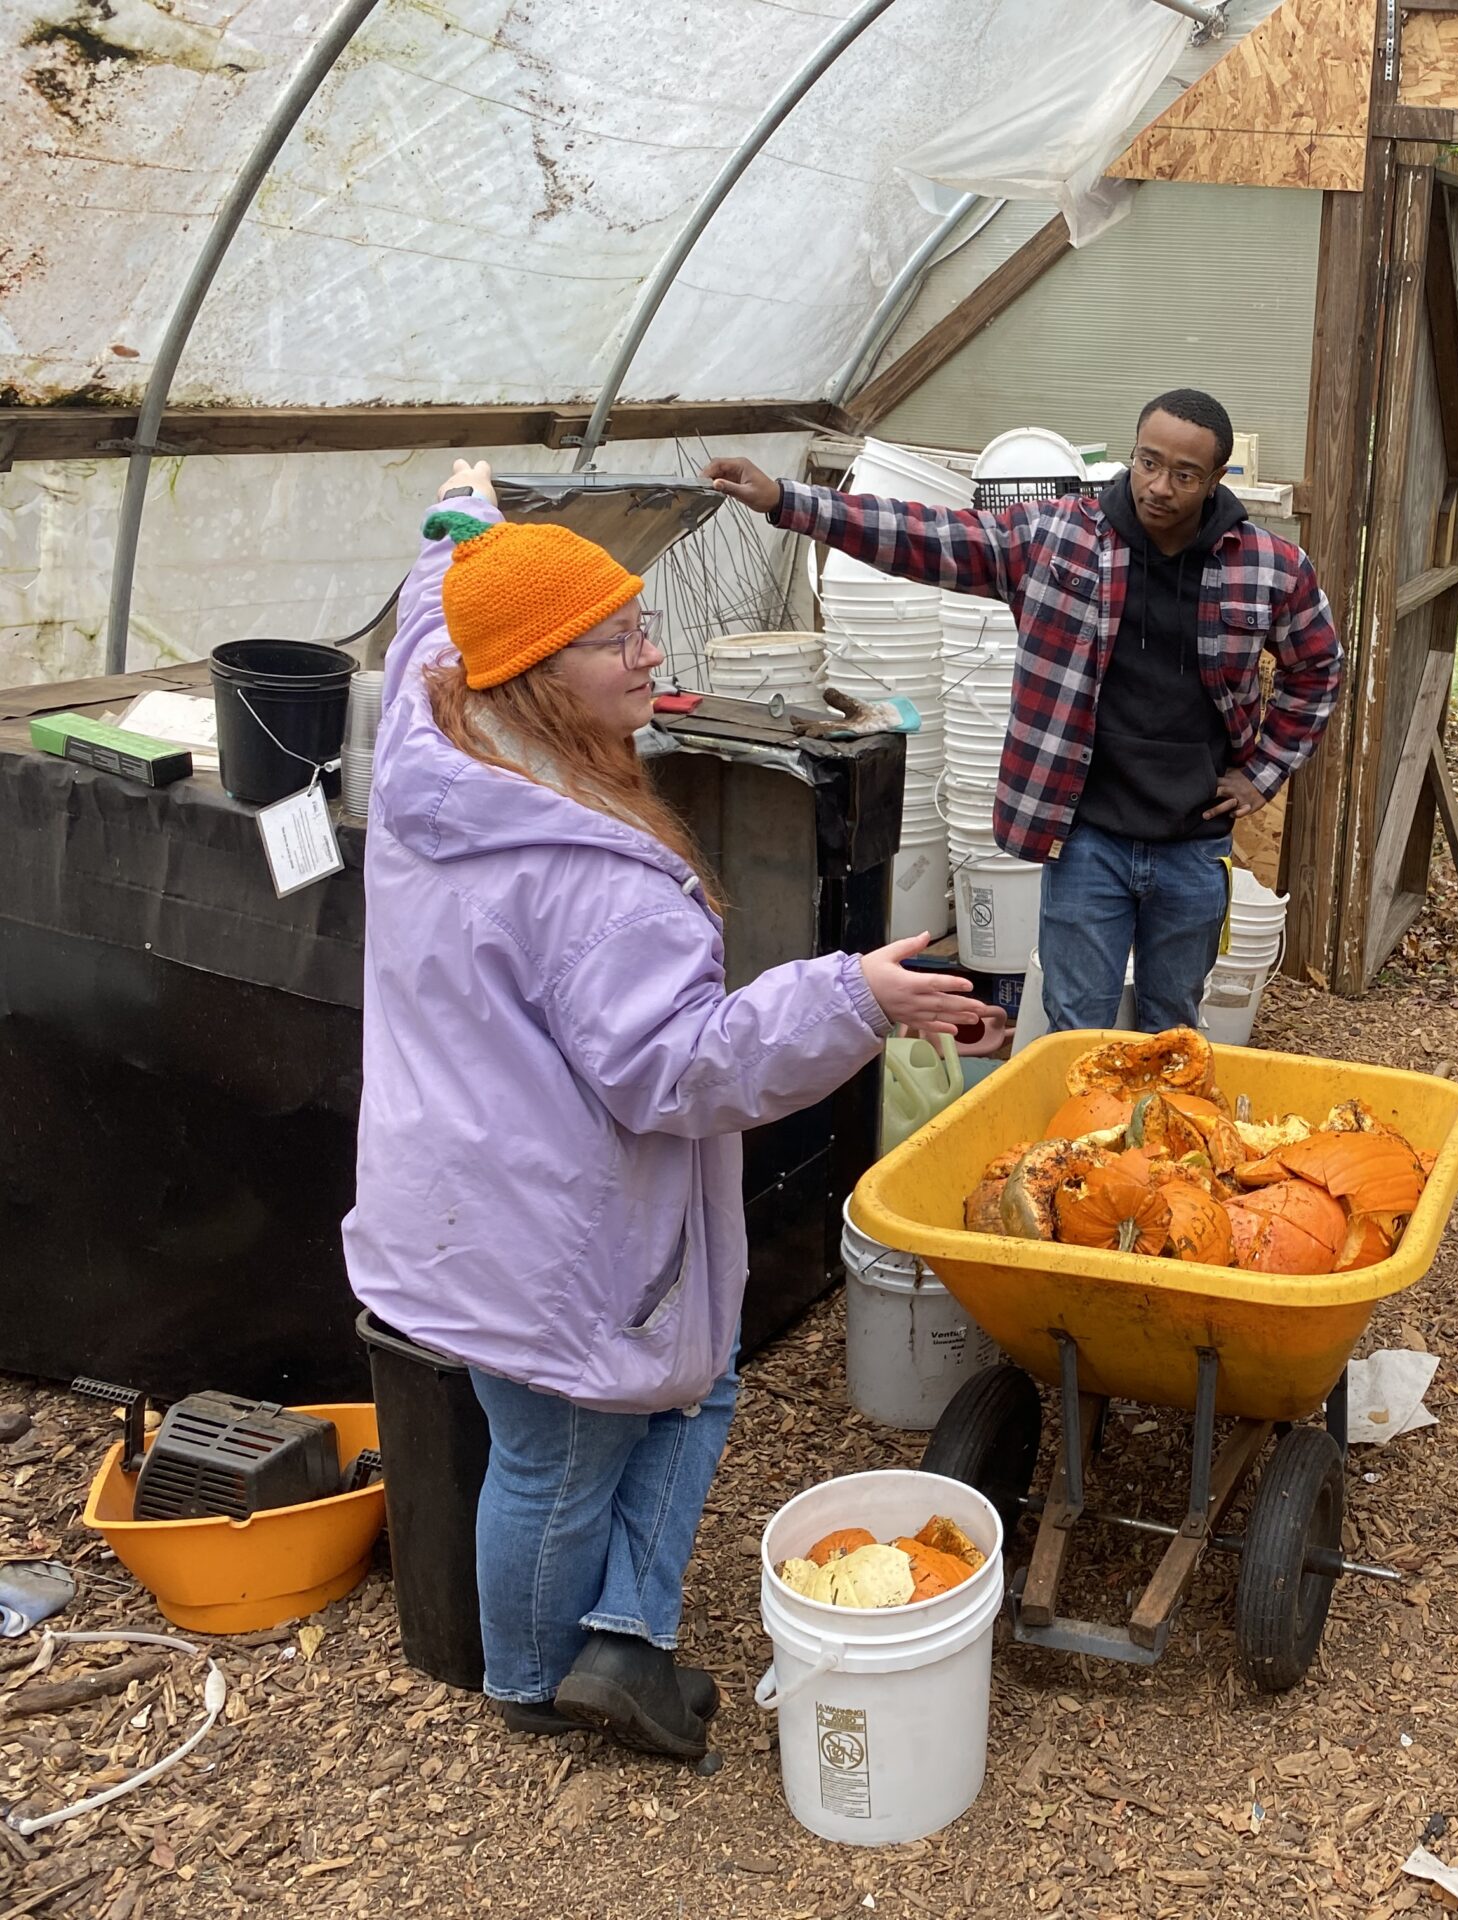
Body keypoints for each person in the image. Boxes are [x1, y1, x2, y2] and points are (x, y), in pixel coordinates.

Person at [344, 460, 987, 1762]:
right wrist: (853, 997)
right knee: (560, 1455)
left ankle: (621, 1633)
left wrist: (457, 529)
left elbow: (442, 615)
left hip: (464, 1191)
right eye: (617, 640)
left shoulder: (434, 748)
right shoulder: (594, 876)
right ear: (535, 674)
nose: (652, 654)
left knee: (682, 1393)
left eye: (644, 624)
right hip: (556, 1222)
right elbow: (676, 1071)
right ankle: (532, 1680)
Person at [703, 390, 1342, 1034]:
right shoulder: (1058, 537)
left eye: (1184, 474)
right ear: (1132, 454)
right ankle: (1082, 1137)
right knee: (1075, 1024)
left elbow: (1316, 668)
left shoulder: (1268, 566)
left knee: (1173, 1025)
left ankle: (1159, 1133)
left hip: (1193, 846)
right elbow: (927, 535)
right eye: (1147, 462)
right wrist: (788, 502)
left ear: (1214, 481)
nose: (1159, 486)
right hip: (1087, 836)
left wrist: (1262, 773)